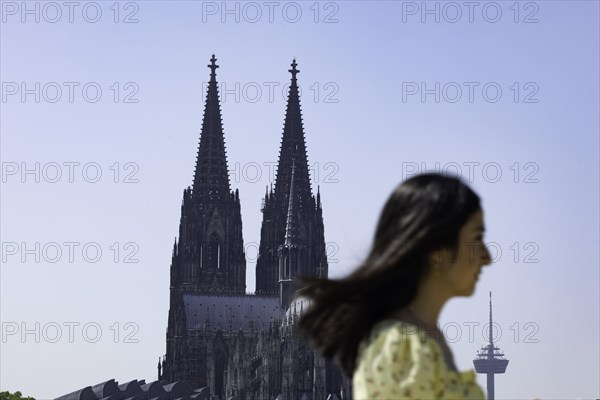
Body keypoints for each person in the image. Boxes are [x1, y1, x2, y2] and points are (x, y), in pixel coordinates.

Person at [295, 172, 492, 399]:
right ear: (438, 250)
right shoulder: (400, 347)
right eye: (477, 238)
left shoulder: (420, 339)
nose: (487, 256)